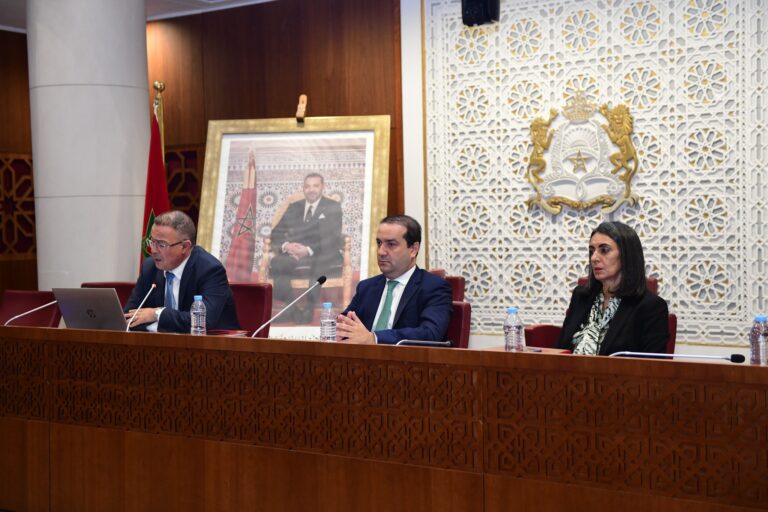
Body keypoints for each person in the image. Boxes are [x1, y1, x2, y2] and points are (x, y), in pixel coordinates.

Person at [557, 221, 669, 355]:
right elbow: (559, 350)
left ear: (626, 255)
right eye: (592, 251)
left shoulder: (651, 307)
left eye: (604, 250)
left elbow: (651, 365)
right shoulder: (581, 296)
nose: (594, 258)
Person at [336, 215, 452, 344]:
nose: (381, 252)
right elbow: (344, 324)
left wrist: (374, 338)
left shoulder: (433, 287)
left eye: (391, 244)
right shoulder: (366, 287)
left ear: (413, 250)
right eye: (379, 243)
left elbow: (430, 333)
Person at [124, 210, 240, 333]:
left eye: (161, 244)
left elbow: (202, 322)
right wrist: (159, 325)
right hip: (165, 343)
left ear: (185, 247)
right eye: (152, 242)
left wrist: (157, 314)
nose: (153, 250)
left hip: (217, 342)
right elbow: (128, 317)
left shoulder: (210, 270)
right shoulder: (150, 267)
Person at [269, 173, 343, 322]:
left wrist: (308, 250)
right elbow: (276, 232)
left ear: (322, 187)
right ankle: (291, 308)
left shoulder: (332, 206)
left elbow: (332, 237)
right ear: (303, 188)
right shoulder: (294, 207)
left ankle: (309, 309)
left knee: (320, 263)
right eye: (307, 186)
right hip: (294, 253)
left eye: (315, 185)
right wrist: (287, 245)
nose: (311, 190)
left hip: (322, 252)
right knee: (278, 262)